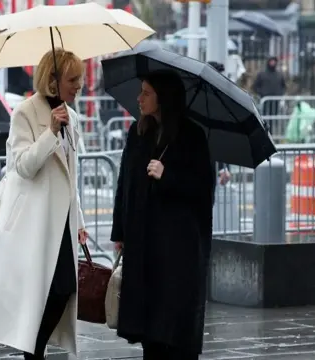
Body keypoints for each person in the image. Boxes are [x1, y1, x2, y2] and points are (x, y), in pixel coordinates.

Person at [0, 48, 89, 360]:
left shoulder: (73, 116)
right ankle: (33, 353)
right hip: (34, 222)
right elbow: (23, 166)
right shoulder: (25, 113)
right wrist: (51, 132)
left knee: (63, 290)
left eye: (80, 79)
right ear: (53, 80)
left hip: (62, 221)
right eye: (73, 79)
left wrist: (79, 220)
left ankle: (35, 352)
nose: (79, 85)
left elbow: (71, 174)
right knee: (41, 293)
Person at [110, 70, 214, 359]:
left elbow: (203, 190)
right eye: (140, 91)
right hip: (144, 245)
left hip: (177, 250)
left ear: (163, 97)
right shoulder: (138, 132)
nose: (139, 98)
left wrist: (168, 176)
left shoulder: (191, 136)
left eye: (146, 93)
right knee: (149, 328)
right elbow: (125, 184)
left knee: (174, 327)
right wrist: (119, 231)